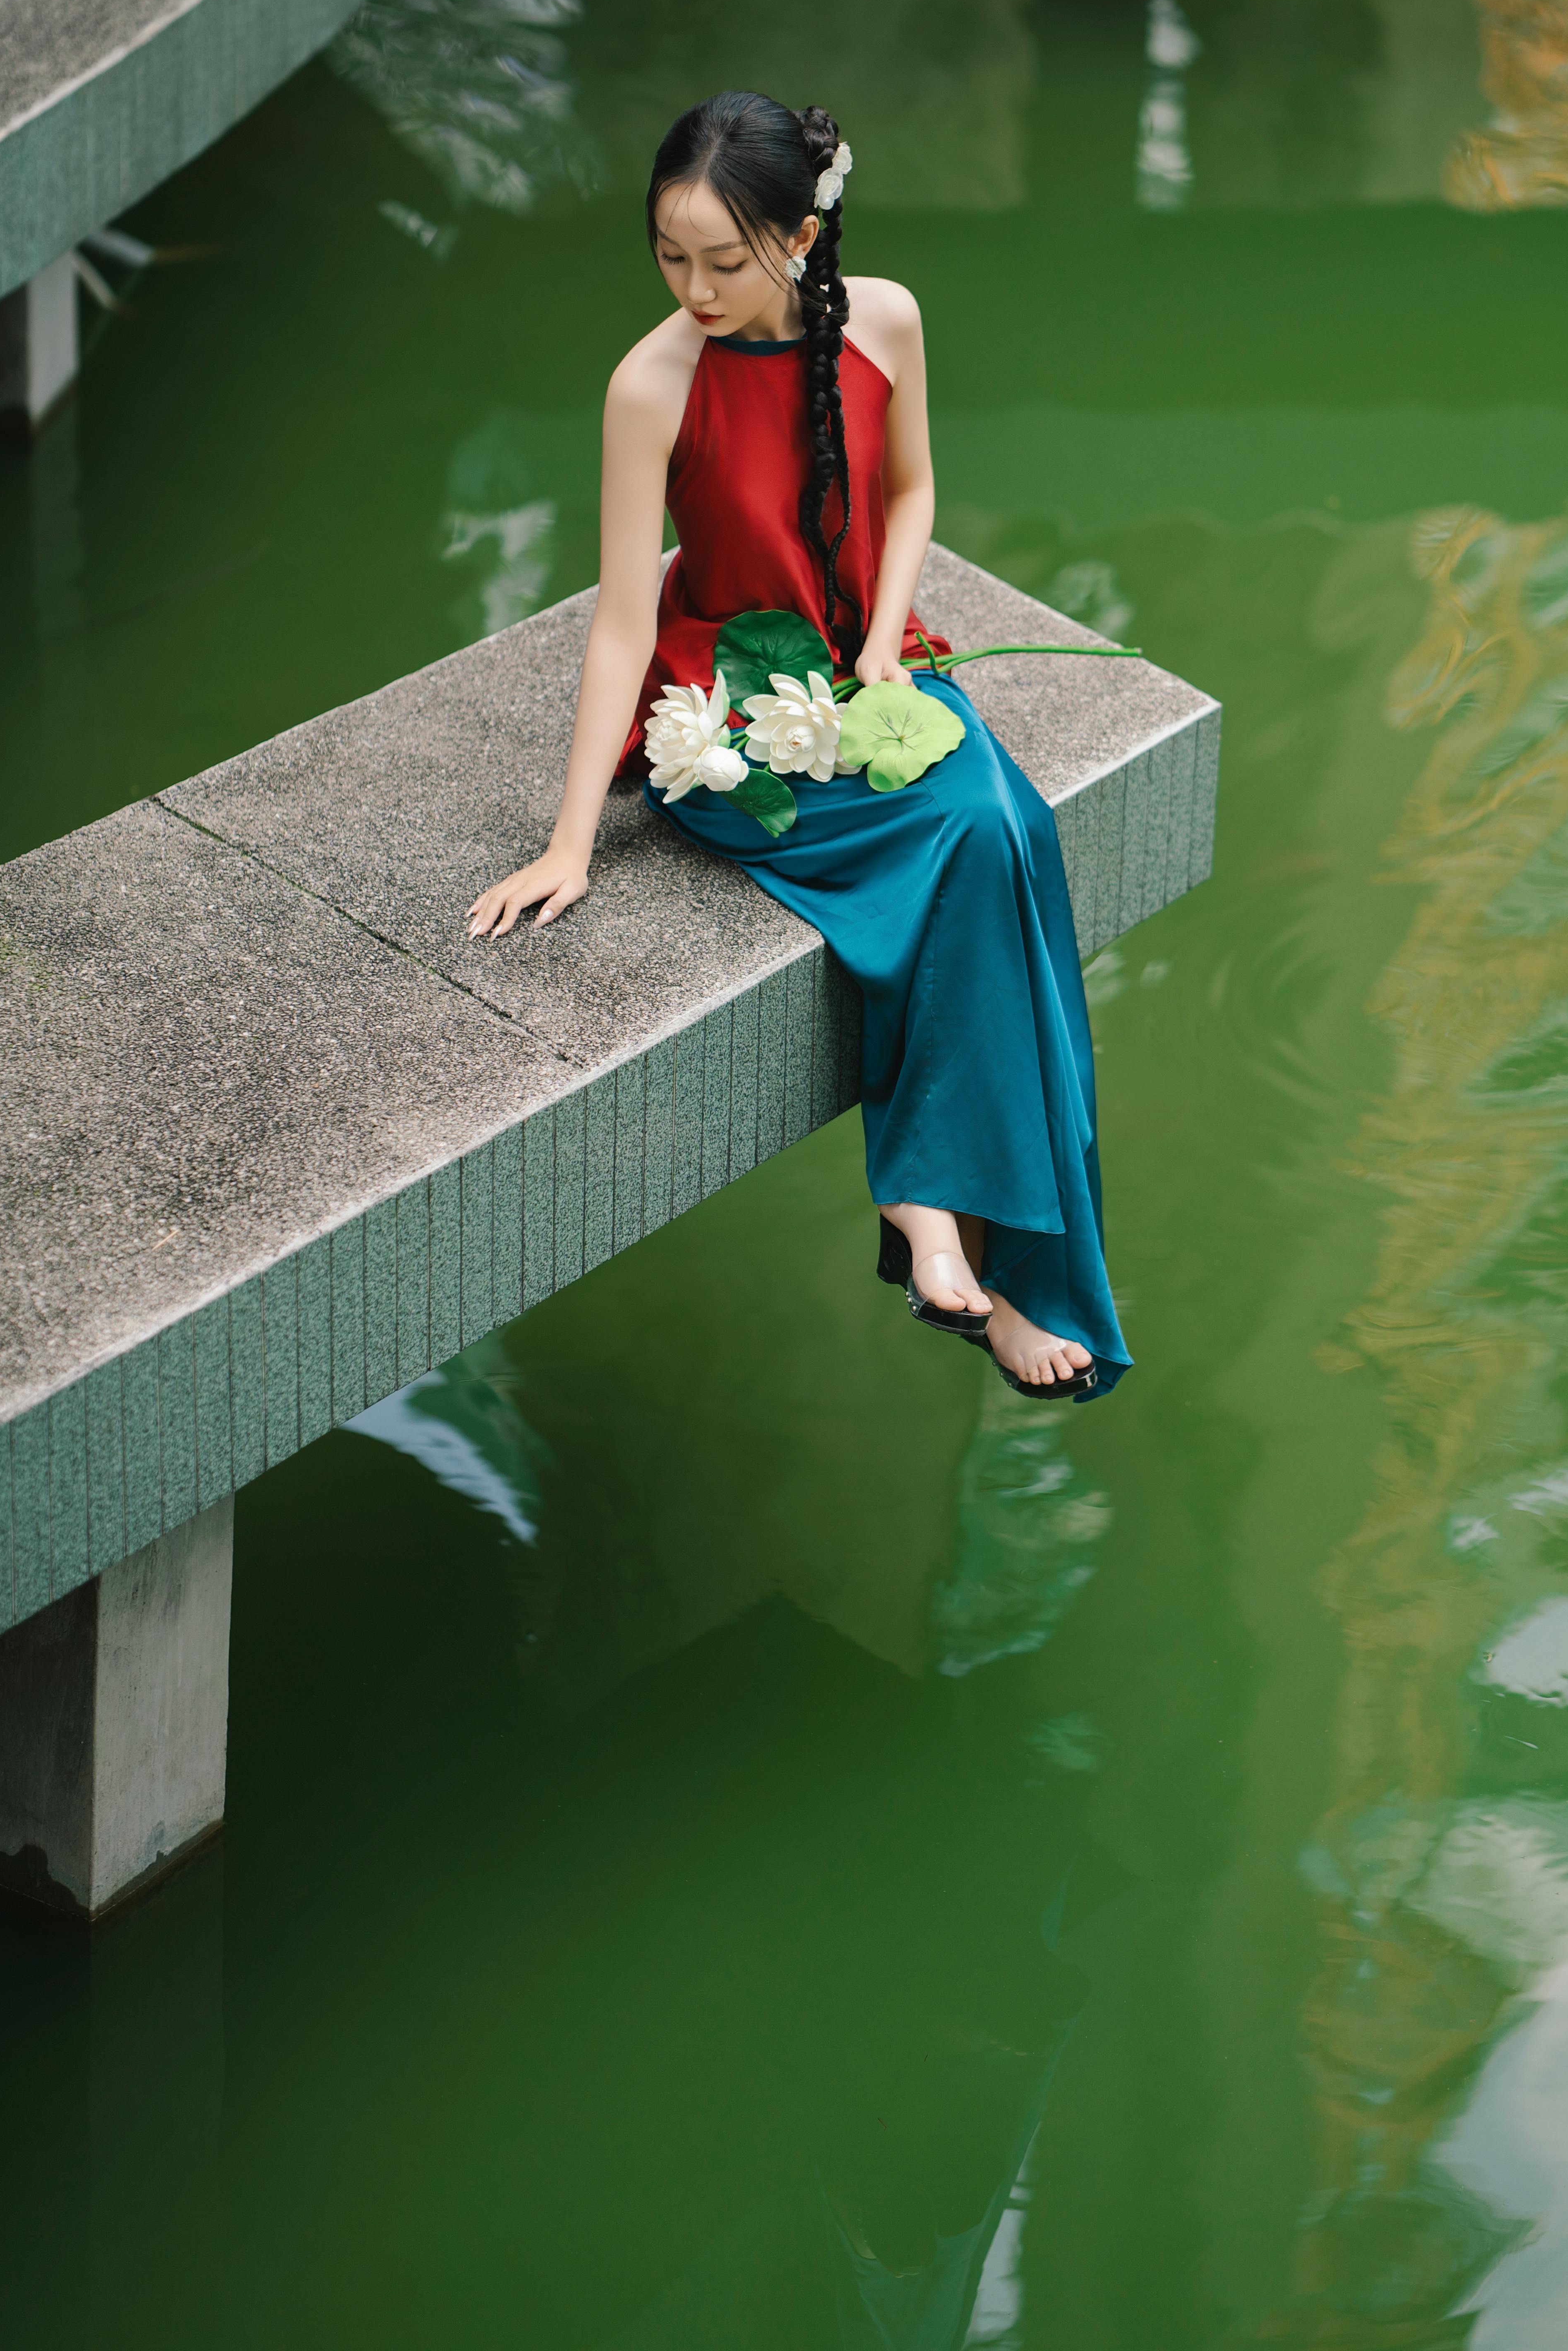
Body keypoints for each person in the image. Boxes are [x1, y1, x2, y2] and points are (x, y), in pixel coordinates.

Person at [467, 92, 1126, 1402]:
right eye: (672, 257)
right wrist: (570, 842)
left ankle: (963, 1239)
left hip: (864, 669)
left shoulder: (885, 320)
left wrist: (883, 641)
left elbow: (912, 488)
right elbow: (618, 619)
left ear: (806, 234)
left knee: (1011, 834)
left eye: (727, 258)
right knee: (961, 840)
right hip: (728, 723)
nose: (696, 288)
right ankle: (938, 1219)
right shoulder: (649, 385)